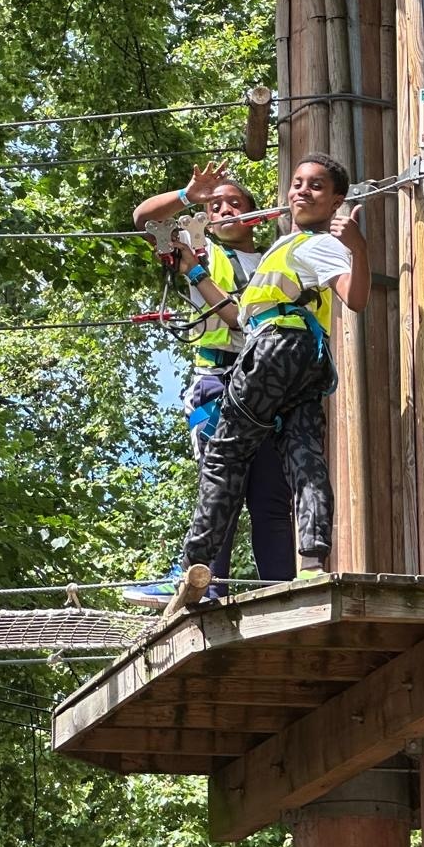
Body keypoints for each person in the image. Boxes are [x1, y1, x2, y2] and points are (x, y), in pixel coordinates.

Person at [173, 152, 369, 601]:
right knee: (304, 455)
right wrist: (196, 271)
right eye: (297, 183)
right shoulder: (284, 247)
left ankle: (193, 568)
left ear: (336, 200)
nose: (302, 191)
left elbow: (355, 298)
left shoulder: (318, 243)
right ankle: (313, 562)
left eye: (316, 186)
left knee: (225, 455)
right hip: (307, 361)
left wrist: (358, 247)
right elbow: (237, 315)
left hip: (275, 349)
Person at [125, 162, 296, 606]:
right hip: (218, 382)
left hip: (270, 384)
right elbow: (144, 220)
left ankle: (281, 589)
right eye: (216, 206)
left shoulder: (277, 257)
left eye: (234, 204)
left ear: (254, 216)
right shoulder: (199, 250)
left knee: (271, 496)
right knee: (221, 489)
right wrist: (188, 196)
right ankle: (205, 583)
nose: (223, 211)